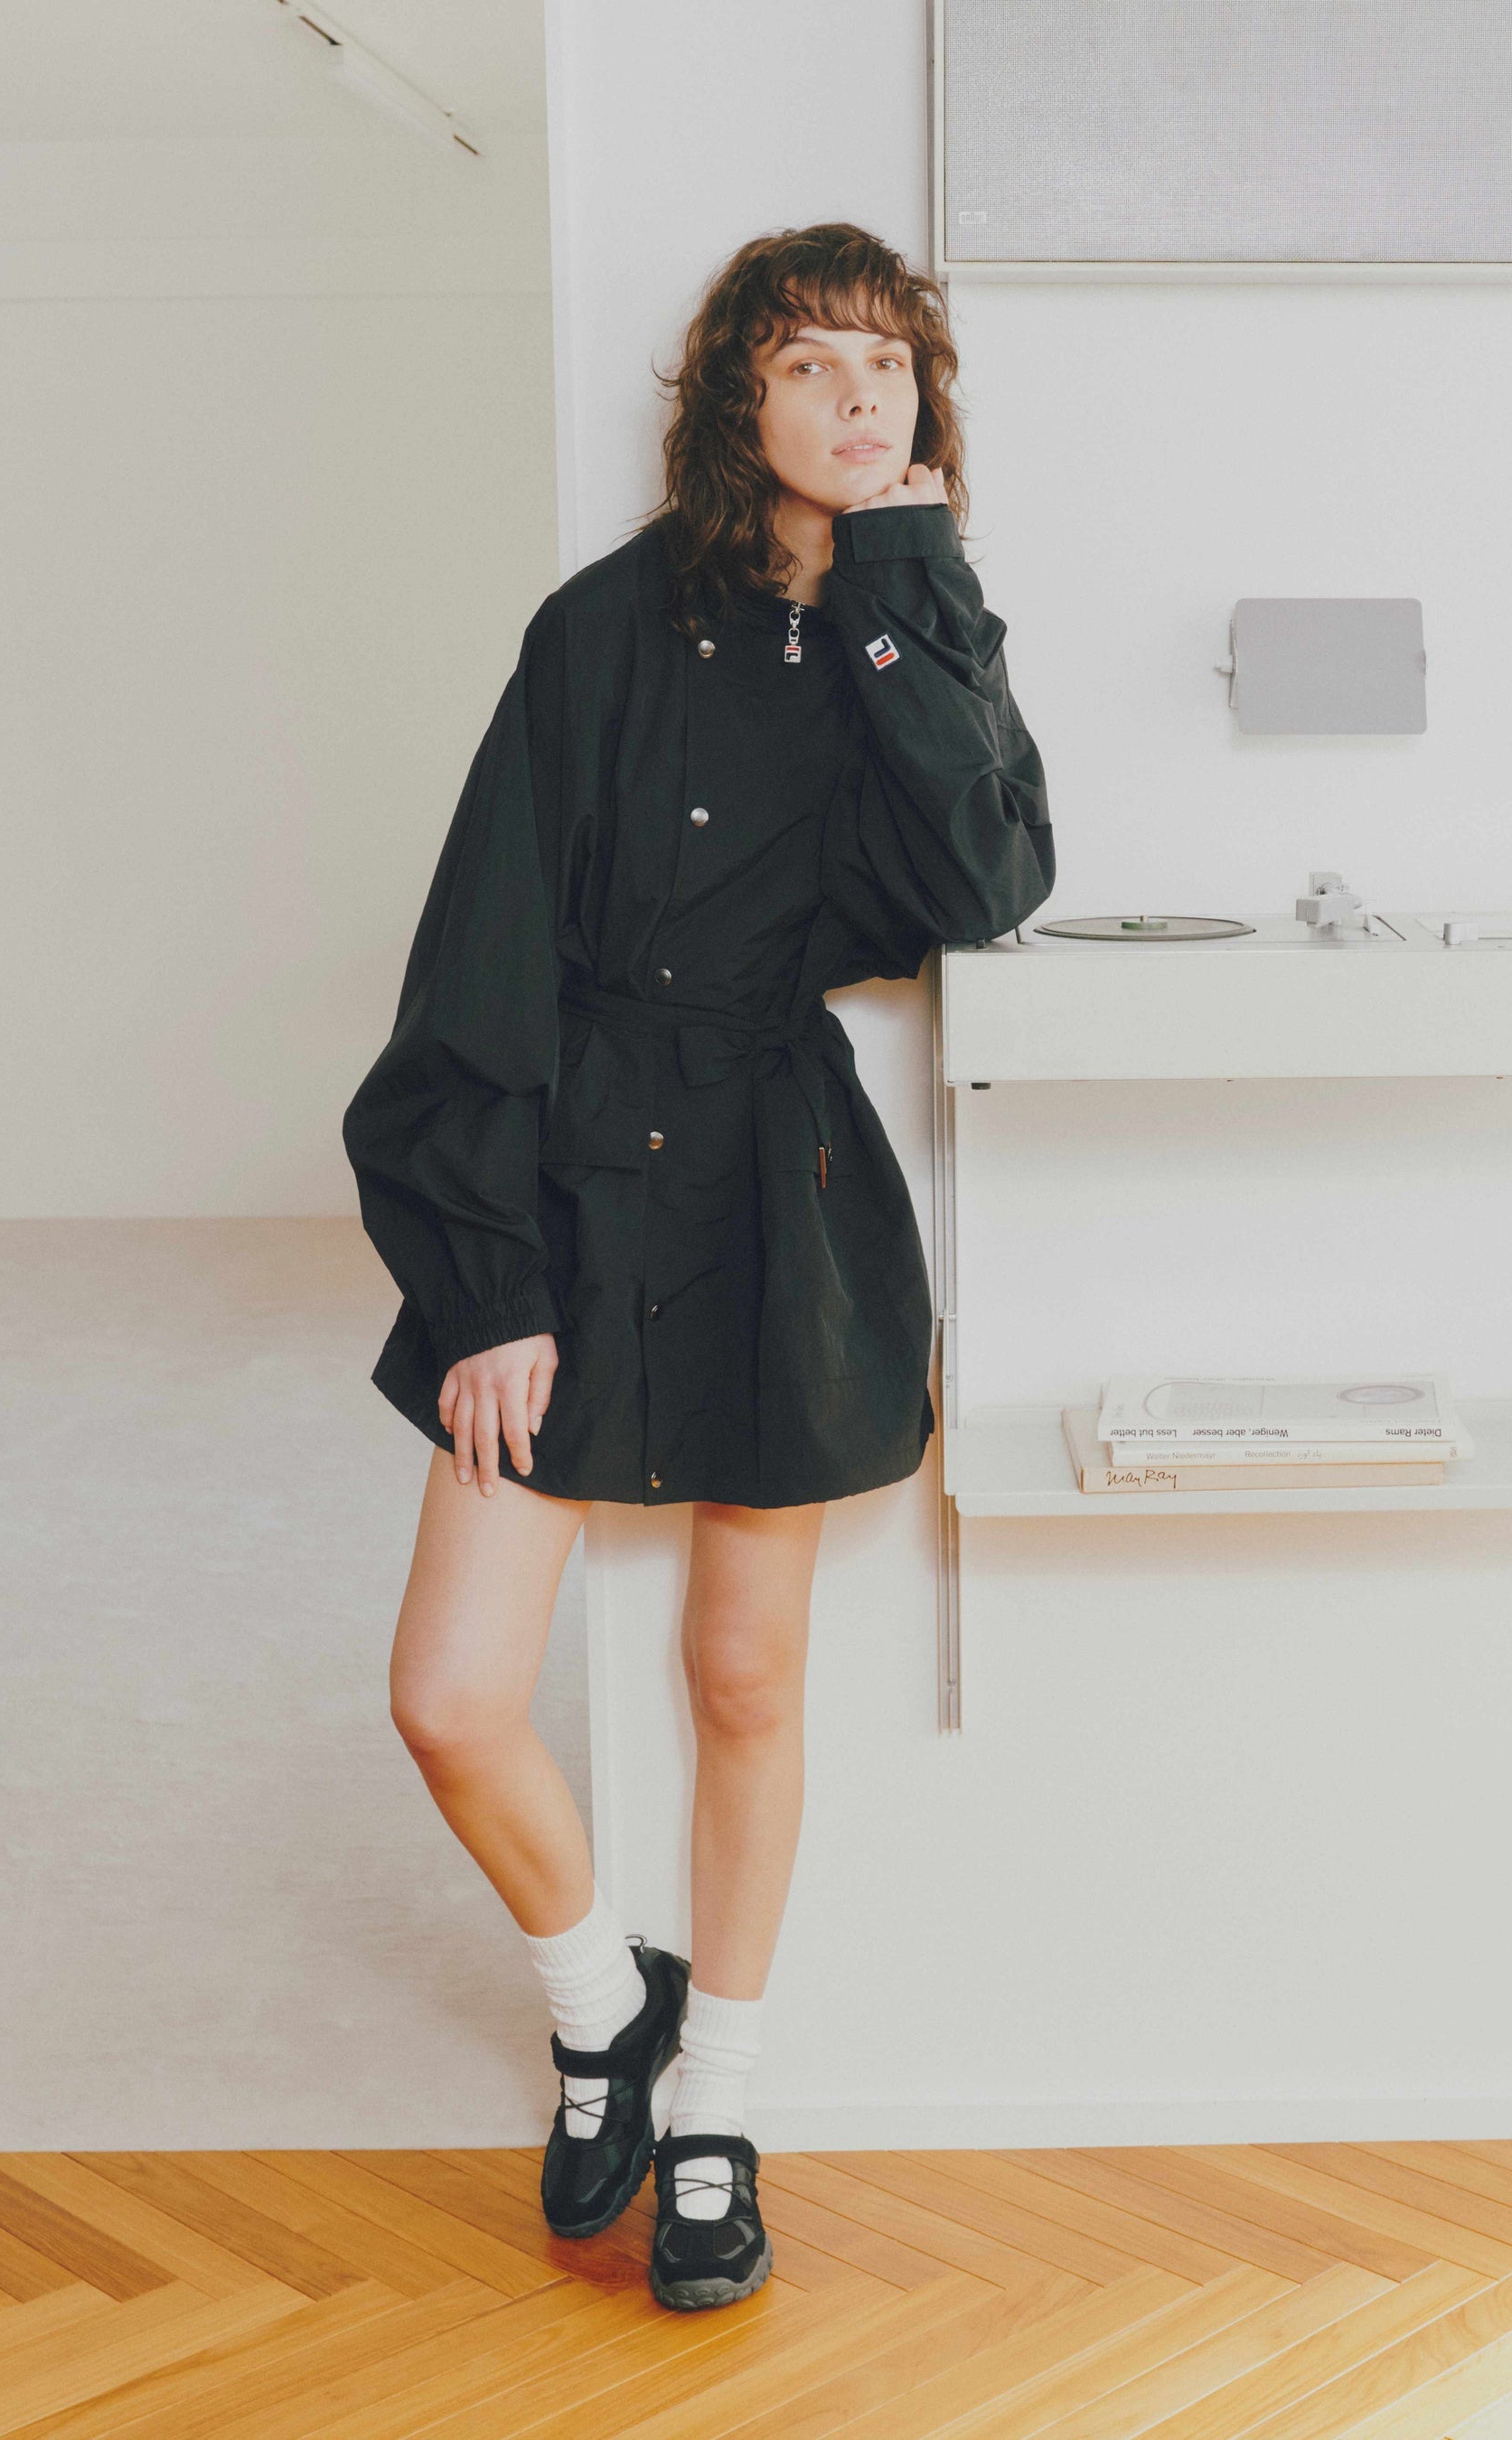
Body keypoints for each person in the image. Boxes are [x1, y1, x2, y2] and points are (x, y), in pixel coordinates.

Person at [340, 222, 1056, 2312]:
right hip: (571, 1181)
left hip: (779, 1182)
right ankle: (603, 2010)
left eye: (892, 365)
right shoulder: (604, 628)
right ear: (738, 395)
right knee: (450, 1696)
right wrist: (487, 1281)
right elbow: (480, 951)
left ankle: (720, 2103)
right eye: (813, 361)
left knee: (746, 1677)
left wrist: (909, 579)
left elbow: (983, 882)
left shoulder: (920, 624)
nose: (860, 397)